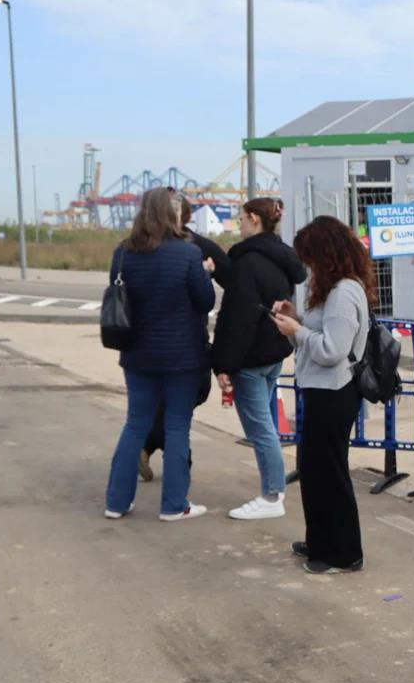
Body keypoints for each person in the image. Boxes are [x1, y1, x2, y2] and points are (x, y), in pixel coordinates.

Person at [104, 187, 216, 521]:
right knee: (177, 426)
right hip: (182, 356)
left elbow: (119, 292)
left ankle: (116, 503)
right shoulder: (187, 254)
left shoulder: (123, 252)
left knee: (135, 423)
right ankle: (174, 505)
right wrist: (206, 274)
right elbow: (205, 302)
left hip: (137, 353)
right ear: (174, 214)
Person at [271, 215, 373, 574]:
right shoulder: (330, 288)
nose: (307, 265)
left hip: (335, 392)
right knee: (314, 471)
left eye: (310, 257)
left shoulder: (344, 291)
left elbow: (332, 349)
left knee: (329, 472)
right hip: (319, 390)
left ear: (326, 254)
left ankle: (343, 553)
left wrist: (297, 330)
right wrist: (293, 319)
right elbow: (317, 335)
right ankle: (320, 541)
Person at [211, 197, 306, 520]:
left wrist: (223, 364)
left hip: (250, 358)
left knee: (261, 430)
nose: (238, 224)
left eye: (240, 218)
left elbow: (237, 319)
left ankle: (272, 495)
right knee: (265, 425)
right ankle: (272, 490)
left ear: (254, 218)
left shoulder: (249, 262)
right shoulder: (279, 257)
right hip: (273, 352)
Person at [139, 193, 230, 481]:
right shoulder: (196, 247)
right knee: (185, 401)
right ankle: (170, 461)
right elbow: (214, 292)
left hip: (144, 343)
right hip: (187, 339)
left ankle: (148, 445)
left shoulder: (136, 247)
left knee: (163, 402)